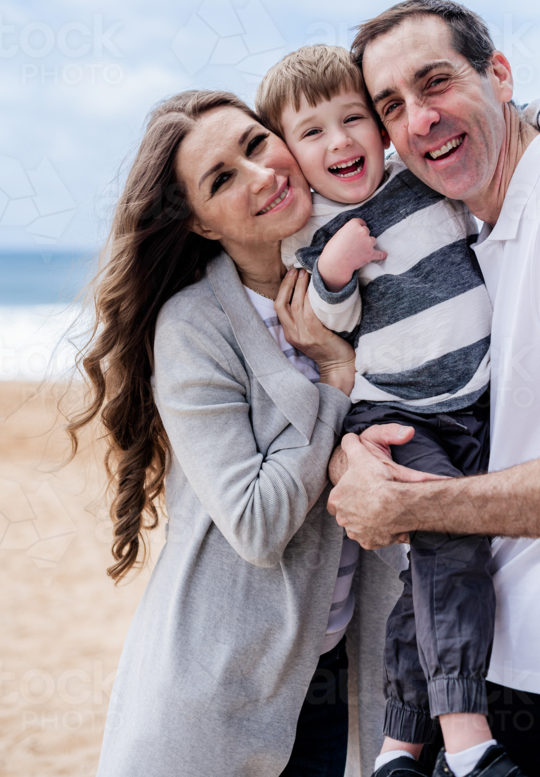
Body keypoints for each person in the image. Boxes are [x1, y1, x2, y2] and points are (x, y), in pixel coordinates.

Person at [255, 45, 540, 777]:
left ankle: (397, 747)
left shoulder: (416, 182)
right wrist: (333, 269)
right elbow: (331, 315)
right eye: (313, 133)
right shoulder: (312, 230)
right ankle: (466, 743)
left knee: (432, 569)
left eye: (353, 118)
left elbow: (492, 132)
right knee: (452, 546)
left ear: (381, 128)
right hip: (399, 417)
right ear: (292, 157)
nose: (340, 142)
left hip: (474, 406)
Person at [327, 0, 540, 777]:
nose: (419, 120)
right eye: (392, 107)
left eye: (435, 82)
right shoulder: (477, 220)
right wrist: (359, 452)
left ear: (499, 76)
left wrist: (409, 505)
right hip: (500, 660)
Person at [67, 88, 412, 777]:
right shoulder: (196, 328)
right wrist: (333, 384)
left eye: (256, 144)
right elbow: (257, 523)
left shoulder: (364, 279)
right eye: (221, 179)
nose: (261, 175)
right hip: (220, 687)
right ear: (197, 223)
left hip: (342, 680)